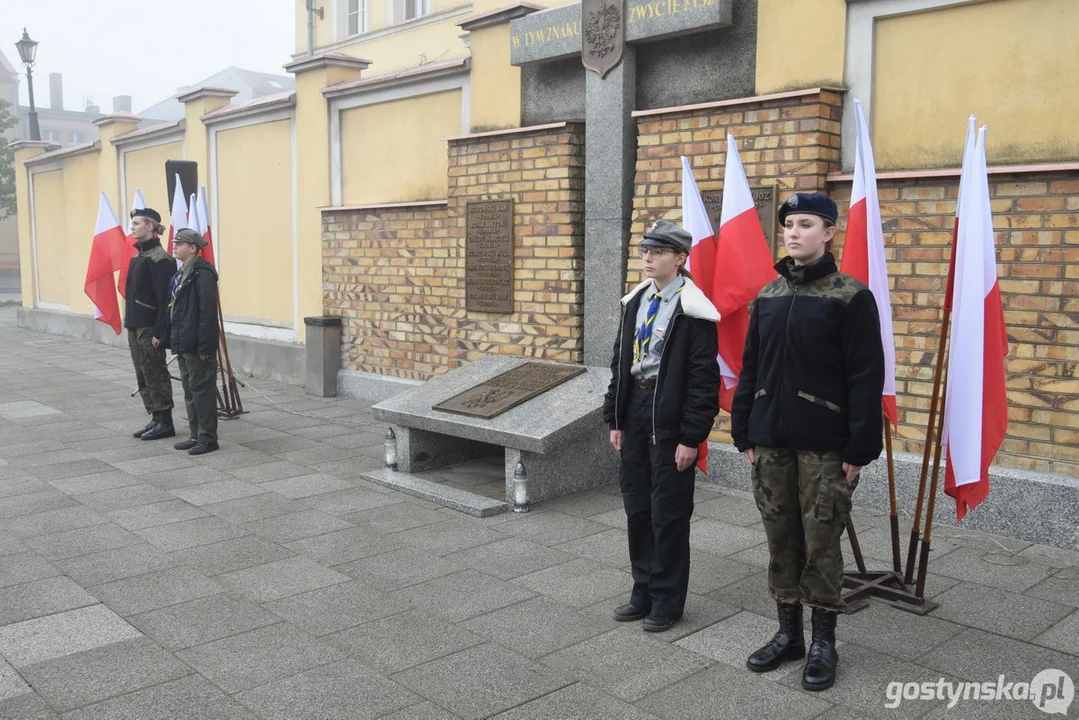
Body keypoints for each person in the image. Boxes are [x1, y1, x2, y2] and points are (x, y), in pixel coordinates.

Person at [731, 193, 885, 691]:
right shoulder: (769, 296)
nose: (793, 233)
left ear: (829, 232)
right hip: (771, 441)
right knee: (781, 540)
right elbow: (750, 366)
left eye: (805, 224)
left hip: (825, 446)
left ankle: (823, 642)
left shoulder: (850, 295)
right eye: (788, 225)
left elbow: (866, 376)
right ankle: (787, 634)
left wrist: (860, 448)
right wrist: (743, 429)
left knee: (821, 543)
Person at [602, 219, 721, 633]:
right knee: (637, 504)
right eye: (645, 250)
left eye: (658, 251)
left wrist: (692, 436)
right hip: (634, 406)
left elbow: (704, 381)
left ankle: (668, 599)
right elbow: (620, 361)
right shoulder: (636, 300)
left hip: (668, 414)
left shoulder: (694, 309)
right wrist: (614, 419)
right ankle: (643, 590)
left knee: (667, 511)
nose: (648, 257)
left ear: (680, 258)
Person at [166, 228, 221, 455]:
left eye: (179, 243)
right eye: (174, 242)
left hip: (198, 344)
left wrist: (206, 346)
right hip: (184, 342)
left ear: (192, 248)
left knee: (202, 391)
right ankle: (195, 434)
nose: (174, 246)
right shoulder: (180, 274)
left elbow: (207, 313)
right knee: (190, 390)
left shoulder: (202, 273)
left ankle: (208, 438)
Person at [125, 207, 176, 441]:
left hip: (149, 326)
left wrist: (159, 331)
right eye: (132, 223)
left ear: (150, 226)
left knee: (155, 371)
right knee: (142, 372)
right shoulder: (138, 257)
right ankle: (155, 416)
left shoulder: (160, 259)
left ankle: (166, 421)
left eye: (136, 223)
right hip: (135, 324)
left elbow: (165, 300)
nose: (132, 227)